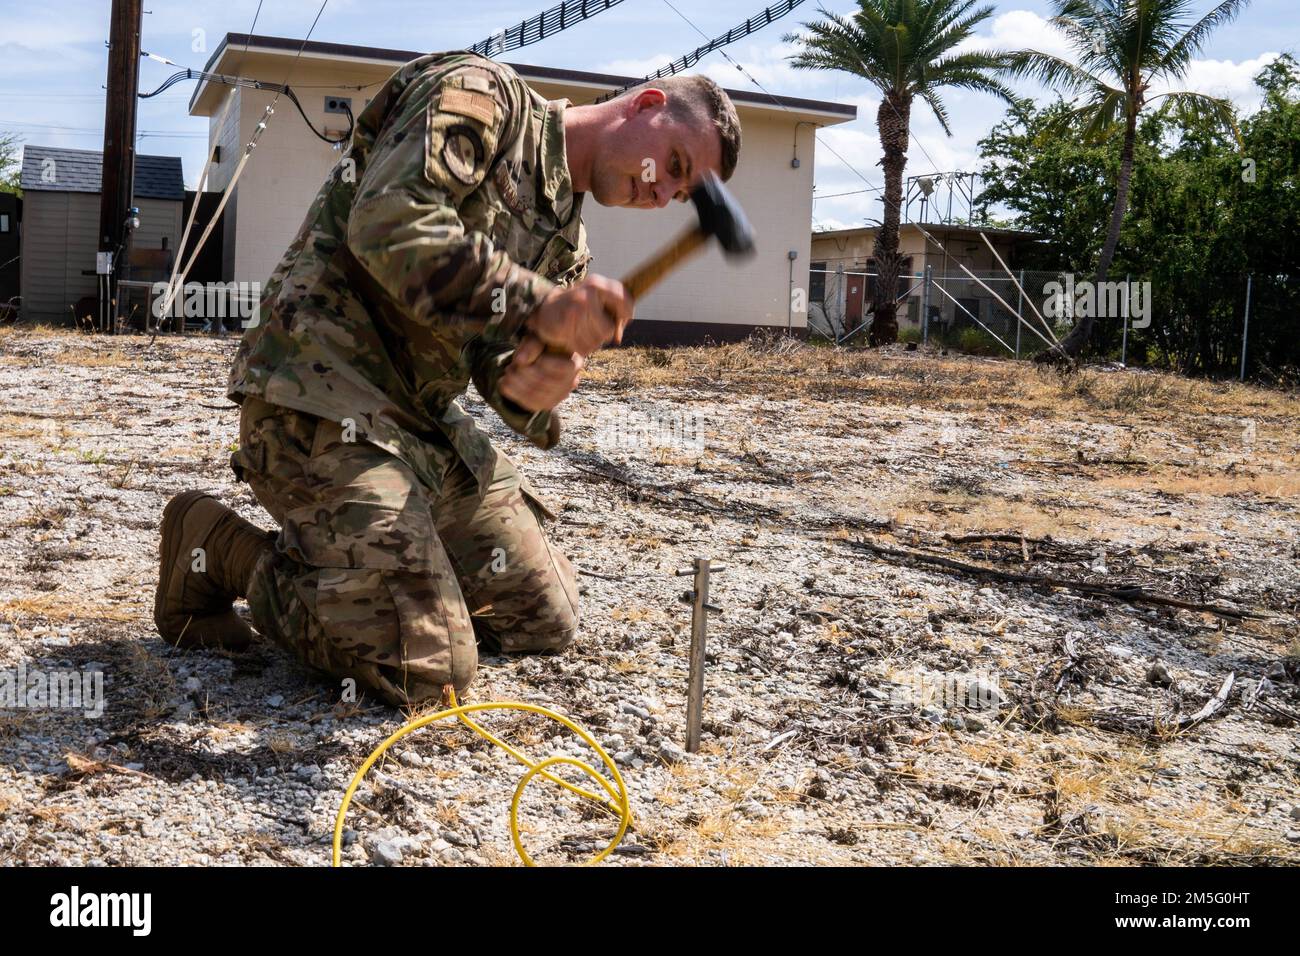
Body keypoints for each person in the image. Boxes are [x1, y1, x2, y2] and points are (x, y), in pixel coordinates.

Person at [154, 50, 742, 707]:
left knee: (541, 619)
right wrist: (539, 306)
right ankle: (219, 545)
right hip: (317, 396)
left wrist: (538, 385)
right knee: (423, 668)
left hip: (425, 431)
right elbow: (386, 222)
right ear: (649, 106)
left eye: (681, 195)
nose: (662, 193)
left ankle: (396, 569)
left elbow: (500, 368)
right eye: (675, 166)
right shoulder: (482, 96)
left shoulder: (568, 245)